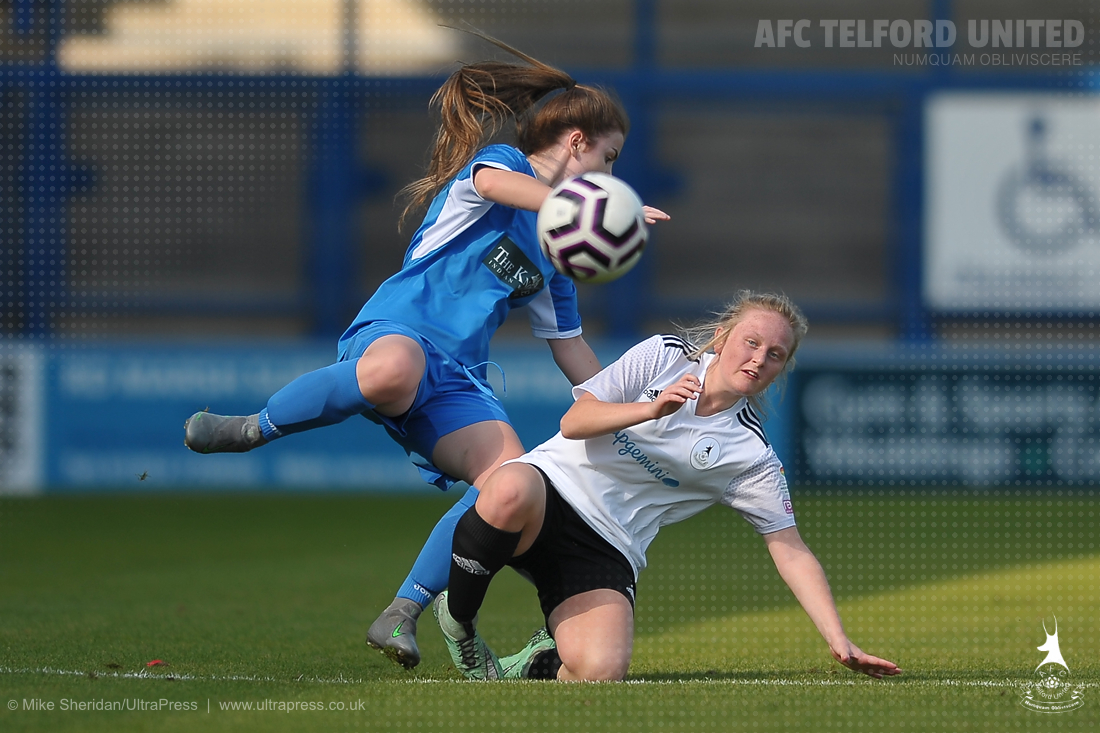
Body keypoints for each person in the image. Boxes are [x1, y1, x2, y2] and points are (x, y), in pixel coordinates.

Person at [181, 32, 669, 670]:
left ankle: (403, 611)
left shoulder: (556, 255)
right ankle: (254, 427)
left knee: (511, 484)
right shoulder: (502, 167)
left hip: (459, 379)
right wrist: (597, 207)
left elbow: (569, 346)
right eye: (608, 159)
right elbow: (498, 186)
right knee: (394, 368)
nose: (609, 174)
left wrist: (635, 406)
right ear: (577, 142)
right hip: (397, 331)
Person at [433, 291, 901, 681]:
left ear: (783, 367)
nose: (758, 359)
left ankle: (539, 660)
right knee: (508, 486)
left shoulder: (751, 454)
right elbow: (575, 421)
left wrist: (839, 640)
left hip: (608, 546)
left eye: (775, 354)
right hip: (548, 492)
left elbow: (789, 549)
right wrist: (649, 410)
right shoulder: (664, 354)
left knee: (601, 672)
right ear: (721, 337)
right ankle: (461, 625)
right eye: (751, 341)